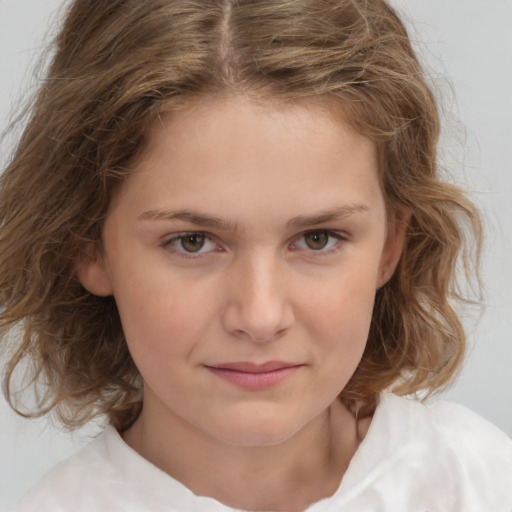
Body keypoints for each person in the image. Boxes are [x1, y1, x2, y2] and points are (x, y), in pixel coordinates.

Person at [1, 0, 511, 510]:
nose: (260, 317)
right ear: (87, 243)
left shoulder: (479, 484)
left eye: (318, 239)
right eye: (193, 241)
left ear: (390, 245)